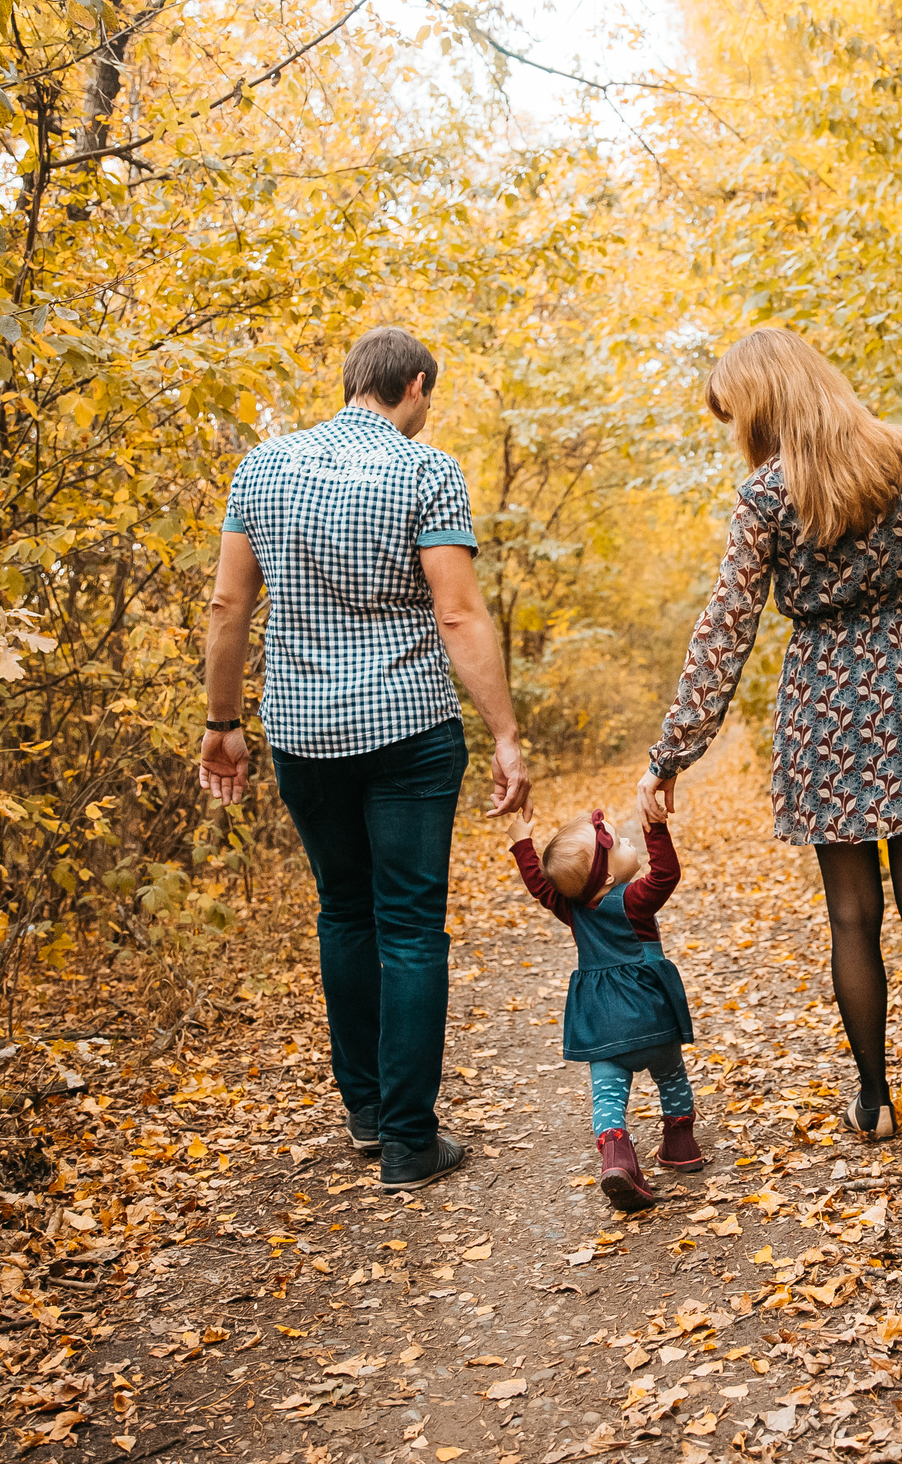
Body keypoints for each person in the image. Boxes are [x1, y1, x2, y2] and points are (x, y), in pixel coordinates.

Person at [638, 328, 902, 1165]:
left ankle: (877, 1099)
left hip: (825, 709)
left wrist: (673, 751)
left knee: (852, 915)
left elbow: (725, 632)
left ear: (765, 402)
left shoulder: (765, 497)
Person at [199, 327, 530, 1190]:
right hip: (408, 729)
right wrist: (503, 732)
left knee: (344, 909)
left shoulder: (262, 468)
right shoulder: (426, 470)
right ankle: (411, 1142)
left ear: (353, 382)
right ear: (415, 385)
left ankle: (367, 1112)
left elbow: (230, 601)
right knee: (411, 924)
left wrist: (222, 721)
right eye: (430, 396)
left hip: (306, 734)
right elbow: (457, 615)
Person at [504, 804, 702, 1210]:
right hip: (653, 1018)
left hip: (603, 1027)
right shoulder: (632, 901)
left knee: (608, 1095)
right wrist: (656, 828)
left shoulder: (573, 910)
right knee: (671, 1075)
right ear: (609, 876)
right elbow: (666, 875)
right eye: (621, 841)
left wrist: (522, 841)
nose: (629, 841)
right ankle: (680, 1145)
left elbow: (542, 886)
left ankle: (617, 1155)